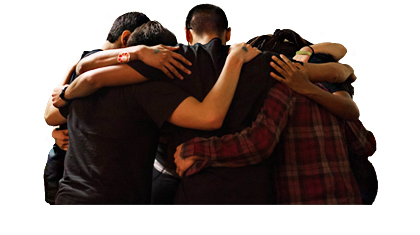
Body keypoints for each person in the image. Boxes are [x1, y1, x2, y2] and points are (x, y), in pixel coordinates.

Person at [54, 4, 357, 204]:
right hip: (257, 194)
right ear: (228, 35)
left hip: (193, 195)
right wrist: (306, 53)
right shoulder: (260, 63)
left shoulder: (171, 63)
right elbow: (340, 70)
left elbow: (89, 75)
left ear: (185, 34)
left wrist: (70, 93)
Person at [51, 21, 261, 204]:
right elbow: (210, 116)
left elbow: (53, 113)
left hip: (68, 197)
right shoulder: (147, 89)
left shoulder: (81, 86)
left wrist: (65, 101)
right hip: (113, 202)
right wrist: (235, 60)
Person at [174, 55, 376, 204]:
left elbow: (258, 144)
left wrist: (195, 150)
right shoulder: (333, 101)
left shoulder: (283, 90)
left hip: (301, 201)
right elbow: (366, 145)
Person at [43, 12, 151, 204]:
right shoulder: (100, 64)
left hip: (70, 176)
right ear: (126, 38)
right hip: (71, 173)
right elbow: (51, 115)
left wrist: (72, 67)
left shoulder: (87, 60)